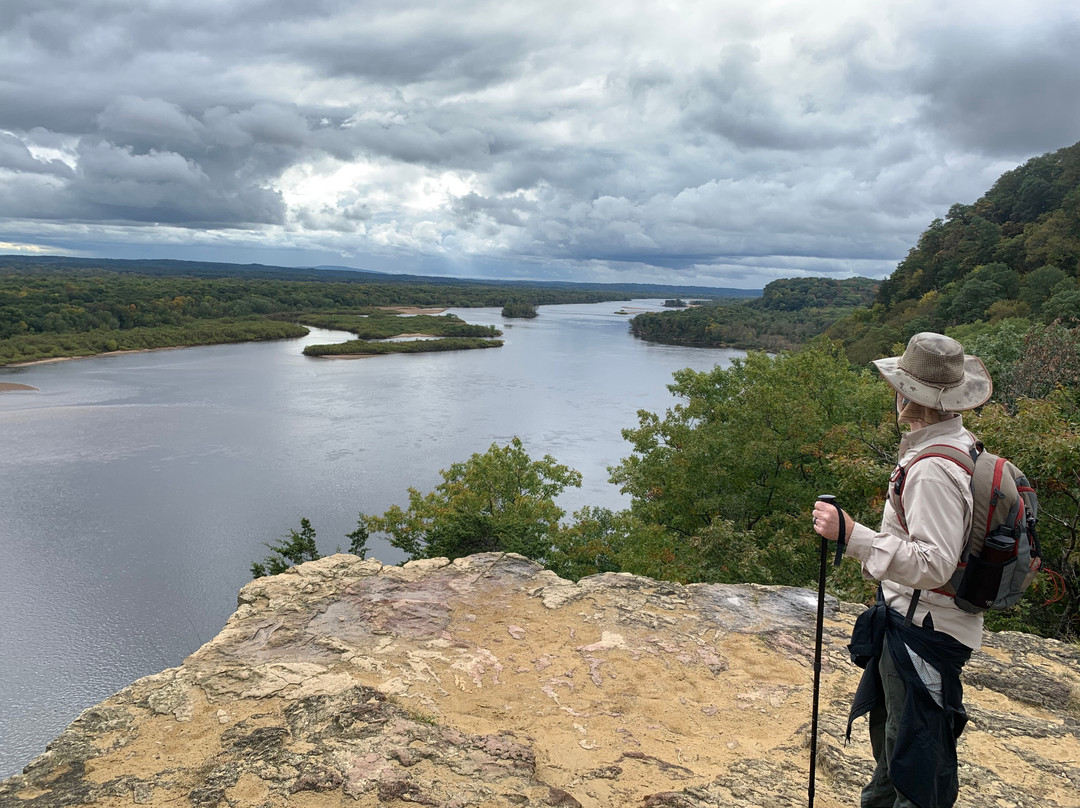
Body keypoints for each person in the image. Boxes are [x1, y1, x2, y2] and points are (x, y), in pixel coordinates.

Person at [812, 332, 993, 808]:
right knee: (900, 752)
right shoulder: (960, 444)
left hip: (922, 632)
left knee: (915, 761)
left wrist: (851, 536)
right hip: (925, 624)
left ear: (907, 397)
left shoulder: (933, 468)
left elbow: (934, 563)